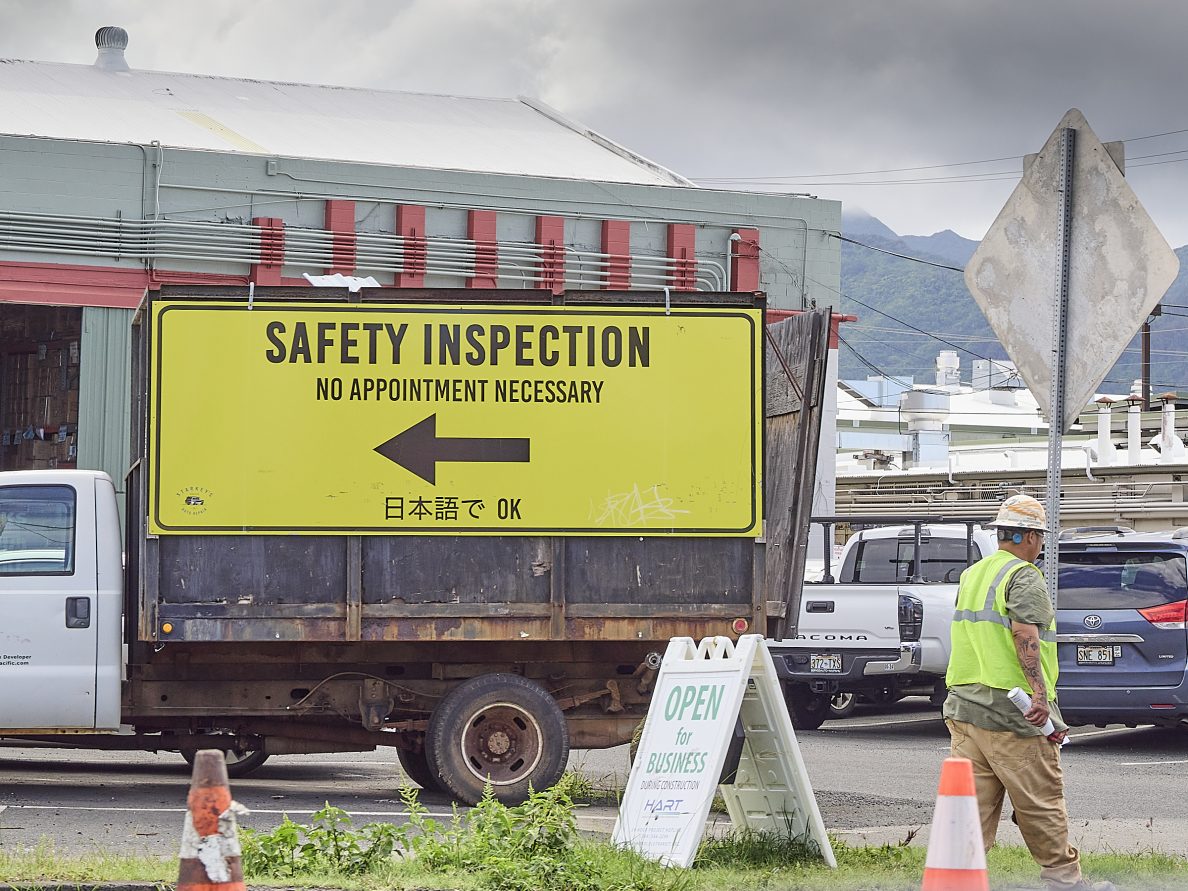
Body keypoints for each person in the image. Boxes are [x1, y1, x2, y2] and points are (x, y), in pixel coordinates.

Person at [944, 494, 1114, 891]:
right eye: (1039, 537)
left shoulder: (975, 574)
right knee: (1040, 802)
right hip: (1013, 714)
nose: (1040, 546)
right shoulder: (1023, 576)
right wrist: (1040, 697)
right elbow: (1025, 634)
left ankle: (954, 881)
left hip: (966, 709)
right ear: (1030, 537)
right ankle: (1063, 881)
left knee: (970, 809)